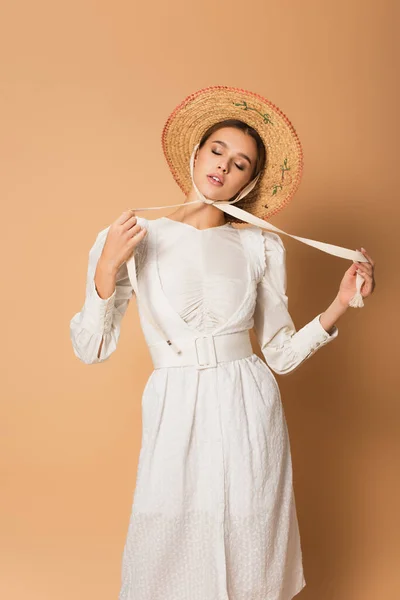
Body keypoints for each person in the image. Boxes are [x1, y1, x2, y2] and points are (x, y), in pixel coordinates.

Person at [70, 86, 376, 600]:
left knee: (249, 534)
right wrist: (106, 267)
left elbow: (278, 353)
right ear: (195, 152)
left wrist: (340, 303)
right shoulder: (133, 235)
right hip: (176, 403)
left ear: (248, 181)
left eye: (240, 163)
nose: (223, 167)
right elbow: (90, 347)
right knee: (167, 538)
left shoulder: (259, 244)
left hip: (249, 403)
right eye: (217, 150)